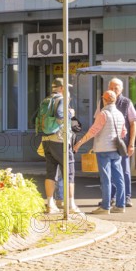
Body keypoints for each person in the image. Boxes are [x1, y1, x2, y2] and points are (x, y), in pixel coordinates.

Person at [74, 90, 126, 214]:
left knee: (106, 179)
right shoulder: (119, 114)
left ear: (104, 100)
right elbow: (124, 133)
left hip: (103, 149)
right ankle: (120, 205)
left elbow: (93, 131)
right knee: (119, 178)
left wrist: (79, 143)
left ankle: (105, 207)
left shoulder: (103, 114)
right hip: (116, 149)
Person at [96, 78, 136, 207]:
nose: (114, 90)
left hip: (121, 143)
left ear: (122, 89)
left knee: (124, 171)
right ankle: (111, 197)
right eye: (111, 87)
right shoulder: (102, 101)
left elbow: (133, 123)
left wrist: (131, 143)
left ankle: (126, 197)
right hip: (106, 144)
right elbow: (97, 123)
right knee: (109, 172)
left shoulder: (126, 102)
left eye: (116, 88)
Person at [41, 78, 82, 214]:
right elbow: (60, 116)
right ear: (62, 88)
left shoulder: (46, 100)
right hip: (60, 140)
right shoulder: (62, 99)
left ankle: (50, 203)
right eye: (67, 88)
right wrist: (70, 113)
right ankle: (71, 204)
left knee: (51, 172)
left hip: (46, 139)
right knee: (69, 172)